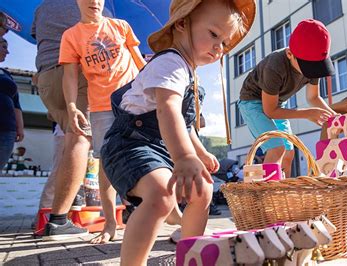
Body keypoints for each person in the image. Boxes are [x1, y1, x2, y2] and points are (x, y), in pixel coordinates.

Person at [100, 0, 255, 263]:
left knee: (203, 188)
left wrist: (200, 152)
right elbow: (167, 110)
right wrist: (183, 157)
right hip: (129, 144)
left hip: (159, 147)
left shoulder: (189, 75)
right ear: (183, 24)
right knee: (161, 195)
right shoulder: (171, 63)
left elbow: (184, 124)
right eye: (214, 35)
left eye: (225, 43)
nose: (219, 47)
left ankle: (189, 255)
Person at [59, 0, 146, 244]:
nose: (94, 2)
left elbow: (141, 63)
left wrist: (154, 93)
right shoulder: (71, 36)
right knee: (106, 164)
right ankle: (110, 223)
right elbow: (69, 76)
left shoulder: (121, 26)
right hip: (100, 107)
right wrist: (73, 106)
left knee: (147, 153)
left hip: (134, 102)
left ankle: (160, 212)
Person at [31, 0, 109, 241]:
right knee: (80, 140)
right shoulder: (91, 5)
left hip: (45, 78)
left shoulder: (42, 7)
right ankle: (58, 220)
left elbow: (36, 35)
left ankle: (54, 218)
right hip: (74, 74)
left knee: (69, 143)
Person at [238, 19, 337, 178]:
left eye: (315, 67)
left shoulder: (313, 66)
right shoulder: (274, 65)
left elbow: (313, 97)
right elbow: (270, 111)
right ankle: (266, 198)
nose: (310, 73)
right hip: (253, 102)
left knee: (289, 152)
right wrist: (306, 113)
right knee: (277, 148)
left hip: (277, 105)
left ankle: (283, 196)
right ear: (290, 54)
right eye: (308, 68)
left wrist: (335, 116)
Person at [0, 36, 24, 170]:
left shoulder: (6, 74)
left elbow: (16, 104)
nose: (7, 52)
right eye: (4, 47)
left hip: (7, 130)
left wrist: (19, 127)